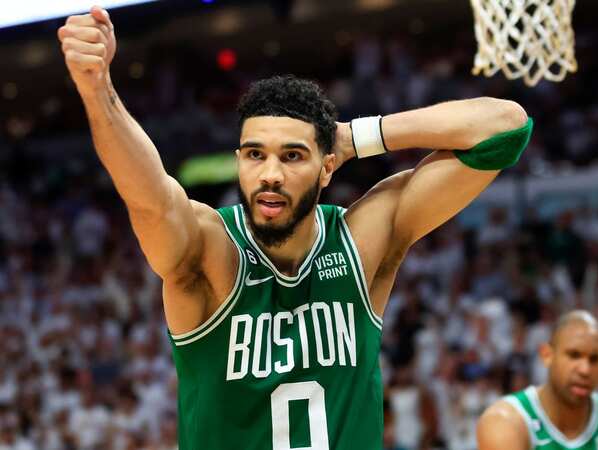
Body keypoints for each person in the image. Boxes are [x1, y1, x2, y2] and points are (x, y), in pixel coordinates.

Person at [57, 6, 532, 450]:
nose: (270, 173)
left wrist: (353, 137)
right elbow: (148, 196)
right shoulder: (209, 249)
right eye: (255, 154)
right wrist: (99, 93)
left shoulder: (362, 242)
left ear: (328, 168)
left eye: (293, 156)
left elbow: (504, 129)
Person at [477, 310, 598, 450]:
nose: (585, 370)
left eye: (594, 359)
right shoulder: (505, 422)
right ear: (547, 355)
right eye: (574, 355)